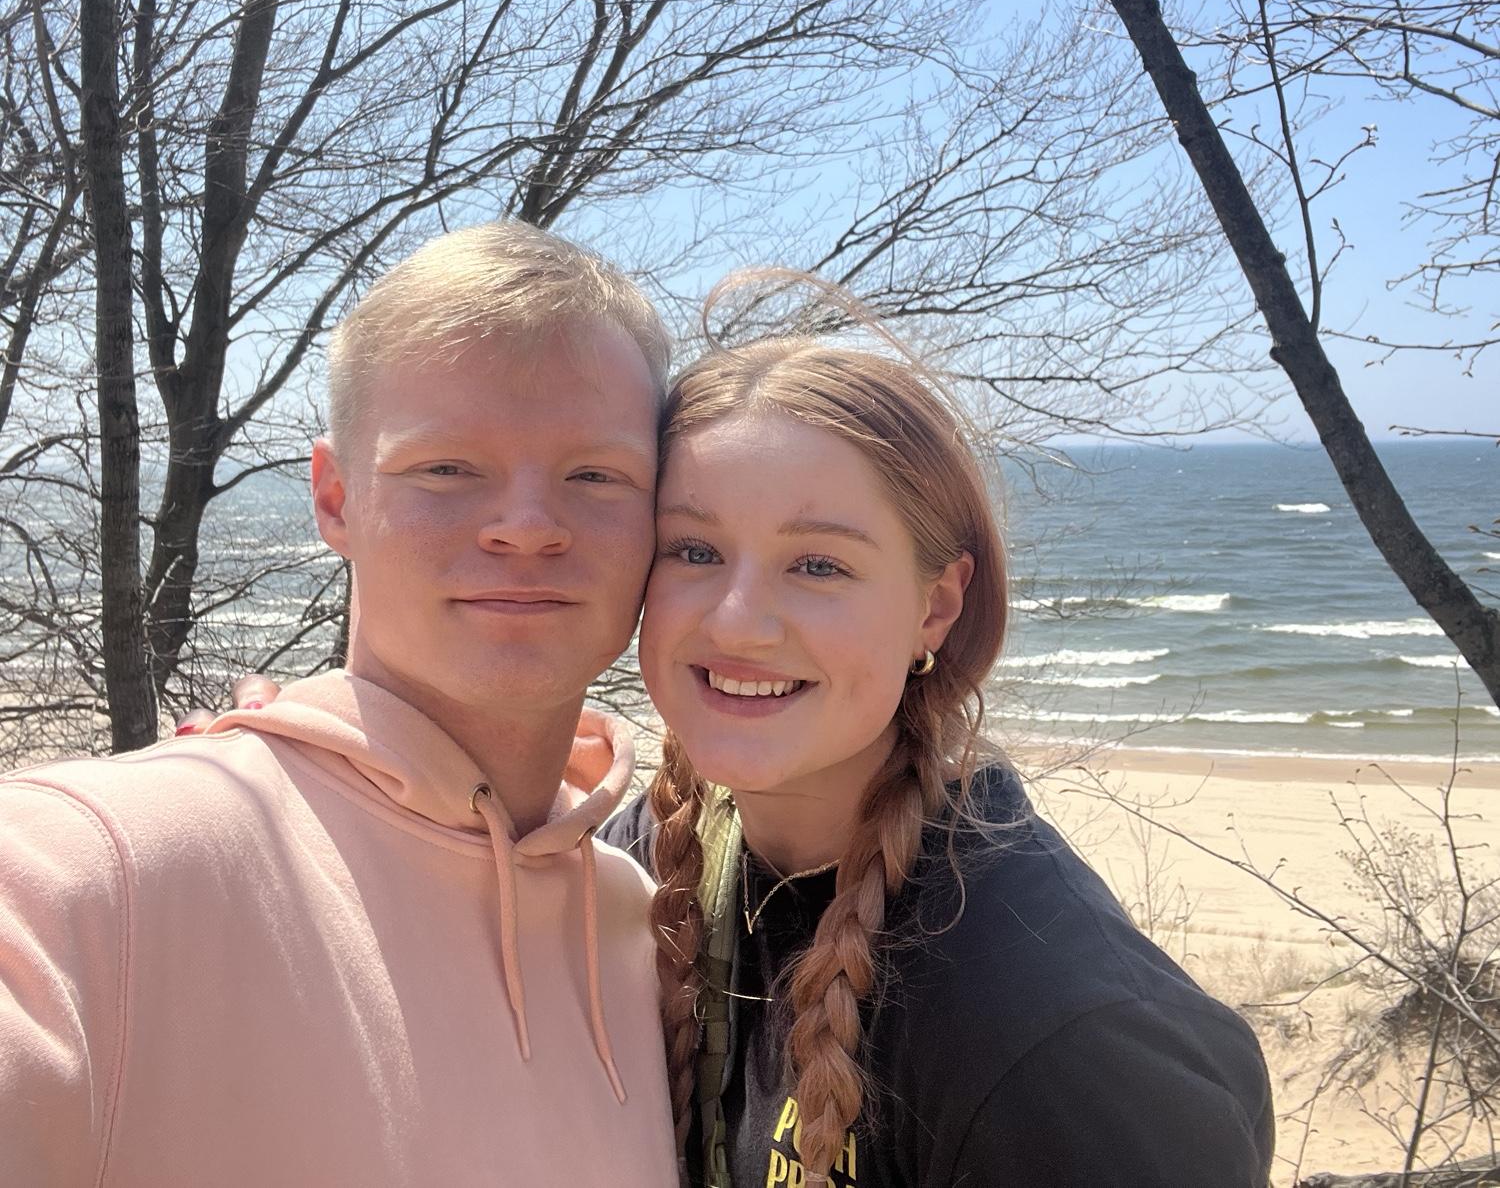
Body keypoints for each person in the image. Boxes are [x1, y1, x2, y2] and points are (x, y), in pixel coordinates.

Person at [0, 224, 679, 1185]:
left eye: (596, 476)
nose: (528, 527)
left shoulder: (643, 928)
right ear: (334, 500)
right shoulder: (96, 873)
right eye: (447, 468)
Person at [601, 331, 1275, 1187]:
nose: (737, 621)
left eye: (818, 565)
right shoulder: (635, 864)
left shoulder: (1059, 1039)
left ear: (936, 607)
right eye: (694, 551)